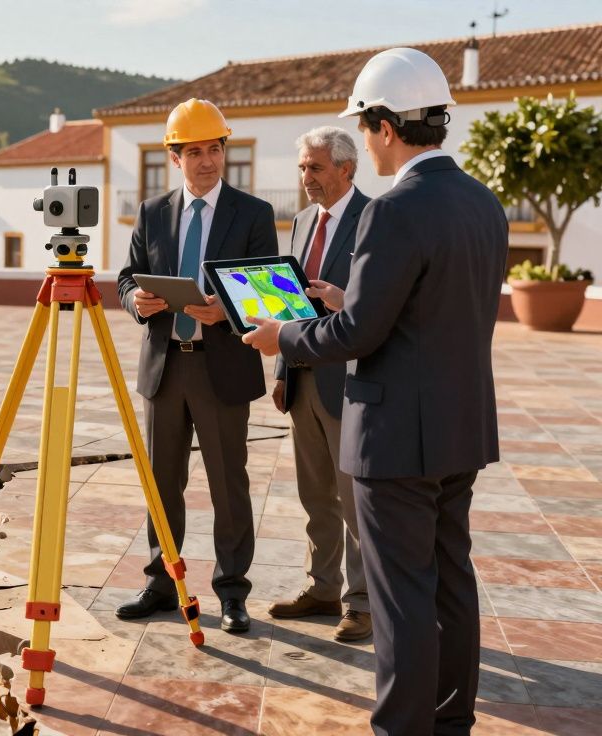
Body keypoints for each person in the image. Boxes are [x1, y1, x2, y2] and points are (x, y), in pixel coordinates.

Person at [242, 48, 507, 735]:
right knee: (452, 581)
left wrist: (284, 337)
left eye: (363, 127)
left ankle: (400, 726)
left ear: (386, 127)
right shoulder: (484, 204)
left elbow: (358, 334)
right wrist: (348, 300)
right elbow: (434, 311)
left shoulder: (392, 211)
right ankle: (451, 721)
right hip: (460, 427)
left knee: (401, 598)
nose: (363, 141)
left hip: (395, 439)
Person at [116, 98, 277, 633]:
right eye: (194, 152)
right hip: (165, 369)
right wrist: (135, 300)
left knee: (228, 486)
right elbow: (127, 276)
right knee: (162, 484)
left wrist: (225, 311)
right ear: (175, 157)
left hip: (222, 367)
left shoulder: (253, 214)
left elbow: (268, 293)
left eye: (214, 149)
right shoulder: (152, 212)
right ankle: (162, 583)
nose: (207, 161)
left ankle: (232, 592)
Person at [267, 127, 374, 642]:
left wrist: (343, 298)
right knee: (315, 494)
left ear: (346, 169)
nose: (306, 178)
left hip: (349, 381)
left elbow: (377, 303)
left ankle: (363, 603)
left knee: (355, 500)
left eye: (315, 168)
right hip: (301, 376)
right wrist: (281, 370)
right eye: (302, 168)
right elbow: (288, 301)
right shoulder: (302, 221)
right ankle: (323, 588)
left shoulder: (375, 218)